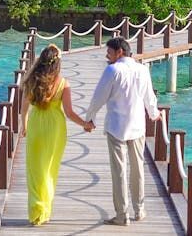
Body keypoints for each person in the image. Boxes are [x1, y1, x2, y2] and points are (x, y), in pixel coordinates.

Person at [84, 37, 160, 226]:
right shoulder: (142, 69)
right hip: (137, 126)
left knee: (119, 171)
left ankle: (121, 214)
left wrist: (89, 118)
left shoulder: (113, 70)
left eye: (109, 52)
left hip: (116, 127)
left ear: (120, 52)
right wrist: (154, 113)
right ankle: (139, 209)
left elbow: (98, 96)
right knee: (137, 169)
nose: (107, 56)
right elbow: (149, 97)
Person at [21, 44, 90, 226]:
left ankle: (36, 209)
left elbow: (24, 107)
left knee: (35, 170)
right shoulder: (63, 83)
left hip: (36, 124)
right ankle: (45, 210)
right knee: (50, 169)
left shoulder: (32, 80)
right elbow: (69, 112)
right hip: (55, 128)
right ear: (57, 63)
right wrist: (85, 124)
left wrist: (24, 125)